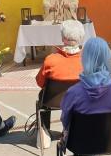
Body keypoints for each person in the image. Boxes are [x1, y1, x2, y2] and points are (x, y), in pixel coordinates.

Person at [35, 20, 85, 149]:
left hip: (52, 101)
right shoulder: (87, 60)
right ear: (81, 38)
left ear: (63, 38)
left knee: (42, 98)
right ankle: (73, 129)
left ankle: (44, 132)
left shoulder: (51, 59)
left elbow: (40, 83)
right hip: (79, 101)